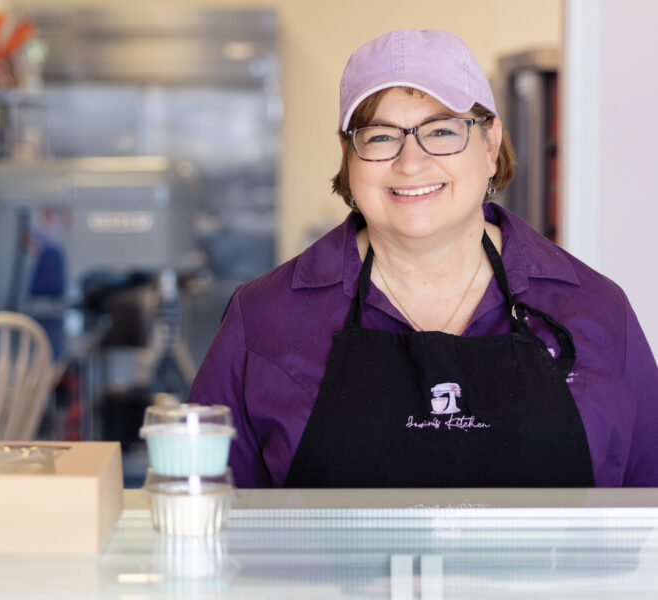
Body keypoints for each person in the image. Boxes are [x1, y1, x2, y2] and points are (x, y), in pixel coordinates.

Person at [187, 29, 658, 488]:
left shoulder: (596, 310)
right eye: (379, 136)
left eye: (441, 130)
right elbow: (200, 515)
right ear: (349, 157)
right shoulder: (265, 318)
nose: (410, 162)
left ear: (491, 145)